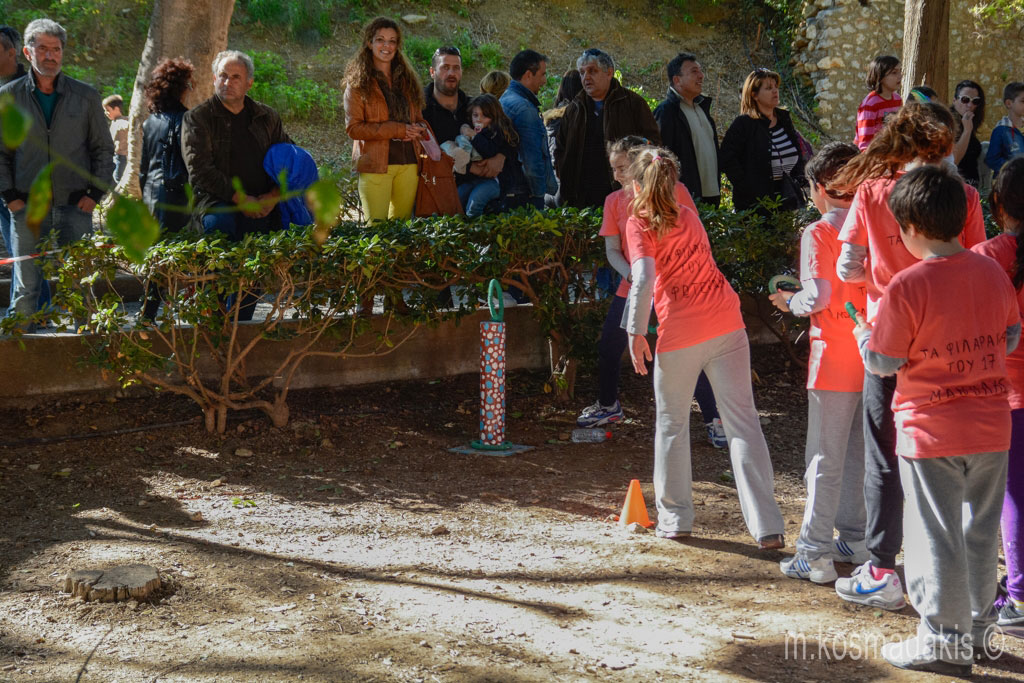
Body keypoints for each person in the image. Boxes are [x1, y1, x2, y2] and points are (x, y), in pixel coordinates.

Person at [856, 165, 1019, 676]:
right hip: (991, 425)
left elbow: (883, 361)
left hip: (930, 431)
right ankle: (977, 631)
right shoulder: (991, 271)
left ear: (909, 227)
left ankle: (943, 641)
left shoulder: (907, 285)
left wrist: (864, 338)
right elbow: (1011, 336)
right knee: (979, 533)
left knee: (935, 536)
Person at [831, 101, 988, 611]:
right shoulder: (963, 195)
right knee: (947, 454)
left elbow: (846, 267)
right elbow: (977, 263)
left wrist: (883, 279)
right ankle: (954, 575)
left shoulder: (872, 190)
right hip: (951, 341)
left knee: (884, 455)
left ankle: (881, 568)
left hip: (886, 337)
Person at [623, 146, 785, 548]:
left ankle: (676, 519)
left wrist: (635, 331)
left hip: (681, 333)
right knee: (743, 422)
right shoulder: (689, 214)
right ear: (673, 183)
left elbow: (643, 277)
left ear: (637, 186)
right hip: (726, 322)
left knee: (672, 426)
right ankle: (768, 526)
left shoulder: (638, 222)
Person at [577, 136, 726, 449]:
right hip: (634, 285)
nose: (617, 174)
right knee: (610, 346)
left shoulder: (677, 191)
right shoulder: (613, 201)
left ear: (638, 165)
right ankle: (608, 406)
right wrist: (632, 274)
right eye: (613, 168)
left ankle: (714, 419)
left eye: (622, 167)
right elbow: (613, 250)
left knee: (688, 352)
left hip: (675, 290)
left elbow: (694, 238)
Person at [771, 142, 867, 584]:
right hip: (871, 353)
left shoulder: (819, 231)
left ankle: (814, 552)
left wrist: (790, 302)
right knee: (858, 453)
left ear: (820, 188)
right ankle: (855, 538)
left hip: (833, 359)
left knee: (824, 458)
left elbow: (819, 296)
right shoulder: (873, 222)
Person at [0, 18, 112, 328]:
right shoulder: (8, 97)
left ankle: (86, 345)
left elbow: (103, 149)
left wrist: (95, 194)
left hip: (76, 206)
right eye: (43, 49)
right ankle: (18, 348)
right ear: (27, 52)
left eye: (56, 49)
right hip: (26, 207)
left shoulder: (85, 96)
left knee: (81, 285)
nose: (50, 56)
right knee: (26, 288)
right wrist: (10, 198)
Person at [182, 50, 290, 322]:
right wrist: (240, 199)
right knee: (218, 258)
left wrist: (273, 196)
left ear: (249, 83)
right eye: (222, 76)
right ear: (214, 79)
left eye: (235, 77)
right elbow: (200, 170)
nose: (227, 82)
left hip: (262, 205)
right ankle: (216, 324)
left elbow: (290, 158)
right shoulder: (198, 118)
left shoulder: (267, 117)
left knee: (256, 270)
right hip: (217, 205)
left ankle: (240, 326)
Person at [971, 157, 1024, 630]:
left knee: (1014, 496)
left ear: (998, 204)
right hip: (1009, 396)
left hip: (1007, 395)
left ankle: (1021, 598)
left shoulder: (986, 257)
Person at [553, 48, 660, 209]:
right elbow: (560, 150)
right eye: (582, 72)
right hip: (581, 198)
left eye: (592, 71)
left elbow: (653, 145)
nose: (586, 77)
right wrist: (566, 178)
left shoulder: (633, 104)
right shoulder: (574, 109)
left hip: (624, 193)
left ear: (609, 73)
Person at [342, 18, 425, 222]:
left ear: (397, 46)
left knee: (402, 231)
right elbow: (354, 129)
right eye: (380, 39)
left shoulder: (407, 80)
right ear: (369, 43)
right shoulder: (358, 83)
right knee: (376, 232)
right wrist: (398, 130)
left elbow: (418, 118)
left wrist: (418, 128)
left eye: (392, 41)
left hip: (409, 164)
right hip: (375, 165)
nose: (386, 46)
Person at [0, 24, 47, 317]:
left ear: (12, 52)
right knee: (17, 250)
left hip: (24, 185)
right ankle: (31, 312)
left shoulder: (30, 87)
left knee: (26, 252)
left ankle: (33, 313)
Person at [719, 68, 806, 213]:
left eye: (776, 87)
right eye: (768, 88)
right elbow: (726, 159)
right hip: (757, 209)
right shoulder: (743, 124)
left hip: (788, 202)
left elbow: (797, 150)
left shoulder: (784, 118)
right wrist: (748, 190)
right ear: (754, 95)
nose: (775, 91)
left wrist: (799, 178)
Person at [421, 46, 502, 187]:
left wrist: (501, 157)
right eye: (445, 67)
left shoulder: (474, 107)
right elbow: (421, 154)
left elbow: (505, 131)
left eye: (456, 68)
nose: (451, 73)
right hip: (437, 189)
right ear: (432, 72)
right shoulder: (419, 108)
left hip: (481, 186)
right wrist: (470, 167)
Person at [653, 52, 720, 206]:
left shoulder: (702, 108)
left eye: (700, 71)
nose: (701, 76)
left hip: (711, 196)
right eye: (694, 72)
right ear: (677, 80)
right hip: (684, 198)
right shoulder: (666, 112)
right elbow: (660, 158)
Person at [139, 58, 193, 233]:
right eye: (189, 85)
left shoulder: (150, 121)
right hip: (175, 196)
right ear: (181, 89)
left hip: (150, 191)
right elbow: (191, 163)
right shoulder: (185, 119)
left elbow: (143, 168)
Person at [501, 49, 557, 210]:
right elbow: (532, 162)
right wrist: (538, 196)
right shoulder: (525, 110)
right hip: (524, 194)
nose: (544, 81)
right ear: (528, 75)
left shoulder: (504, 99)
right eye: (542, 74)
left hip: (509, 190)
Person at [457, 94, 525, 216]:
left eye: (485, 116)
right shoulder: (477, 130)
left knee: (476, 202)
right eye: (475, 115)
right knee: (459, 195)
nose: (478, 120)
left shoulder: (498, 131)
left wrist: (474, 136)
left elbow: (489, 150)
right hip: (480, 178)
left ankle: (476, 226)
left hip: (499, 181)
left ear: (494, 117)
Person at [854, 55, 902, 150]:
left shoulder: (898, 100)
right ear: (880, 76)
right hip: (872, 154)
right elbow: (865, 145)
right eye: (894, 72)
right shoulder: (870, 104)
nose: (900, 76)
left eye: (900, 71)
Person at [950, 80, 985, 187]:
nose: (970, 105)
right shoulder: (948, 124)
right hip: (956, 188)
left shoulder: (969, 122)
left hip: (972, 189)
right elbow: (953, 160)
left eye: (975, 101)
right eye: (965, 99)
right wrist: (967, 130)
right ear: (954, 100)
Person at [985, 81, 1024, 176]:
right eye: (1023, 101)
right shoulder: (1000, 131)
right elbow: (992, 160)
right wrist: (1014, 168)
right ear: (1009, 103)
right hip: (1009, 181)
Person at [103, 94, 129, 183]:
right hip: (116, 156)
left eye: (108, 110)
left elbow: (126, 125)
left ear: (116, 109)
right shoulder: (114, 122)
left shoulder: (122, 121)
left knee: (118, 179)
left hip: (122, 157)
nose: (106, 113)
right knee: (116, 178)